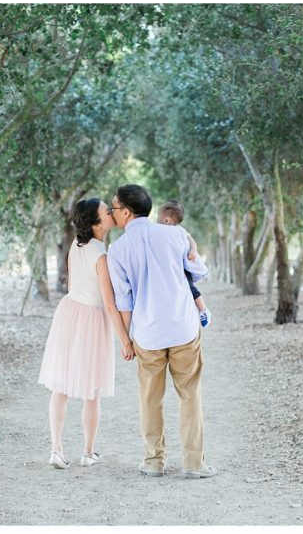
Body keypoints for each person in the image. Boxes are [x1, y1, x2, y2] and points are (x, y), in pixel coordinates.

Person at [107, 184, 217, 479]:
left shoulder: (117, 250)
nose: (110, 212)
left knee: (149, 398)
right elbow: (198, 273)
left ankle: (154, 462)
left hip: (147, 333)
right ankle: (194, 464)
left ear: (126, 212)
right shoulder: (176, 234)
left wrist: (126, 339)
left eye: (113, 208)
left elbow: (124, 300)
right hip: (183, 327)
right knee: (190, 394)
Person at [38, 198, 134, 469]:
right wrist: (125, 339)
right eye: (106, 211)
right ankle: (88, 452)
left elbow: (73, 282)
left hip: (69, 312)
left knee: (62, 386)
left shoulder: (76, 245)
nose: (111, 212)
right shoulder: (101, 256)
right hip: (91, 318)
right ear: (96, 224)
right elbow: (109, 303)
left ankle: (56, 449)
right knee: (91, 391)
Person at [157, 199, 211, 328]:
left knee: (191, 288)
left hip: (184, 266)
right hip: (174, 266)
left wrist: (193, 250)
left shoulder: (179, 230)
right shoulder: (159, 232)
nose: (156, 219)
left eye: (158, 216)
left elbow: (191, 240)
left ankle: (203, 310)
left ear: (167, 220)